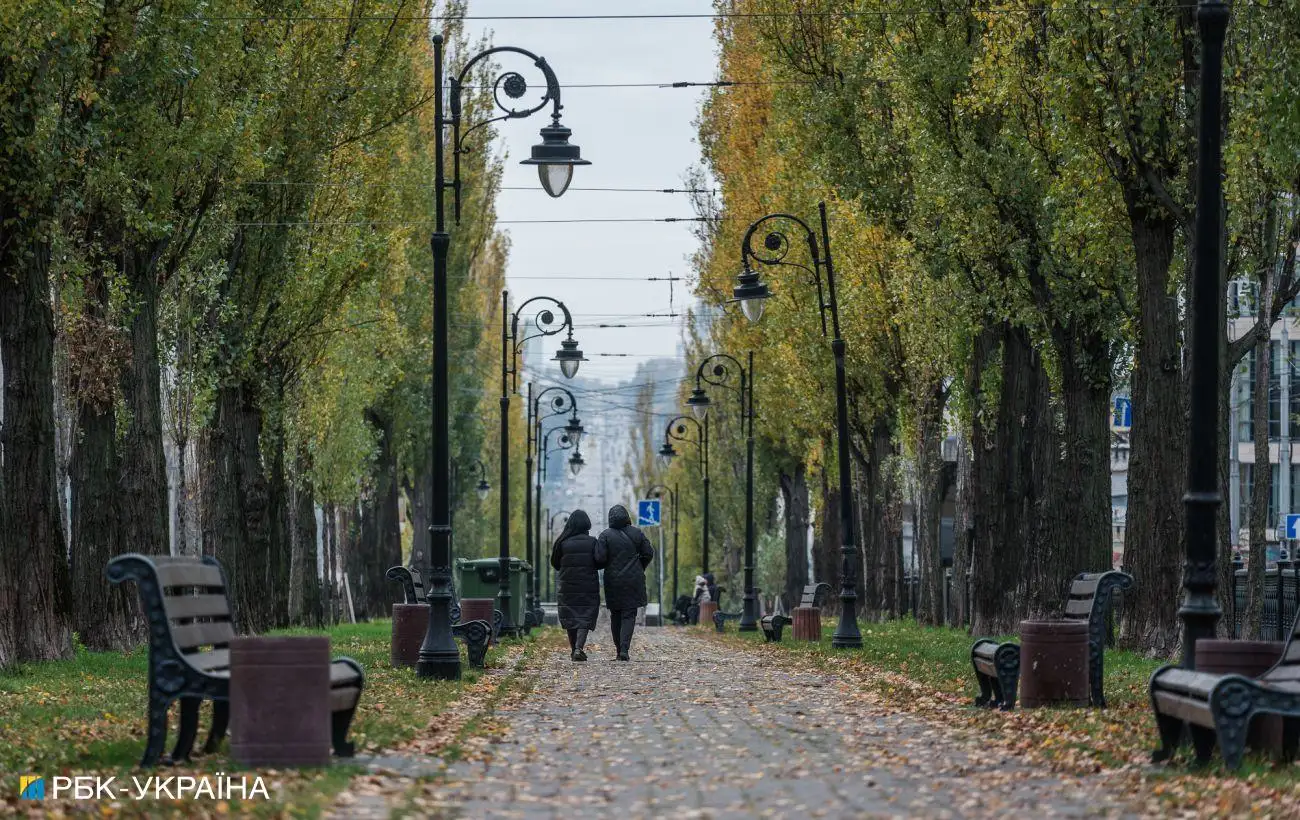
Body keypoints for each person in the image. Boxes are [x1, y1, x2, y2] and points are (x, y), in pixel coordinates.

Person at [594, 504, 655, 661]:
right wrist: (639, 566)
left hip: (613, 580)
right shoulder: (637, 533)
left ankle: (618, 649)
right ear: (626, 517)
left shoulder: (605, 535)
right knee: (629, 614)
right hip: (634, 580)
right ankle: (624, 649)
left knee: (616, 613)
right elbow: (648, 552)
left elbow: (599, 560)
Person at [550, 509, 600, 661]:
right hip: (588, 585)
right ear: (587, 525)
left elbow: (555, 563)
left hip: (567, 585)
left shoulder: (562, 542)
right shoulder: (593, 542)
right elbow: (599, 561)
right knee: (585, 615)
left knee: (571, 615)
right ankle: (578, 648)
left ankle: (574, 650)